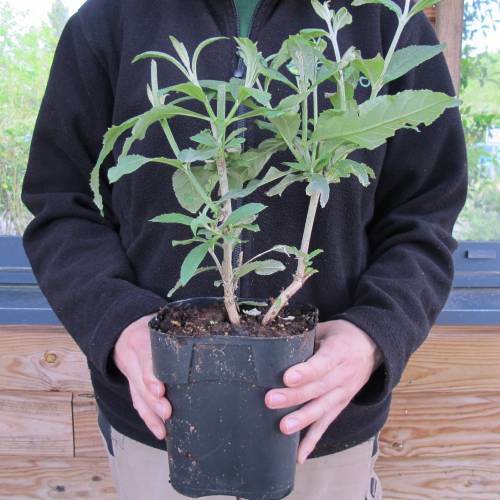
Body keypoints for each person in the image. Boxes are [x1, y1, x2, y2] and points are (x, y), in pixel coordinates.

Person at [20, 0, 467, 499]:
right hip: (161, 424)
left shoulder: (385, 18)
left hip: (323, 426)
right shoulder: (109, 19)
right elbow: (62, 207)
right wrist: (117, 322)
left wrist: (375, 333)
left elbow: (425, 218)